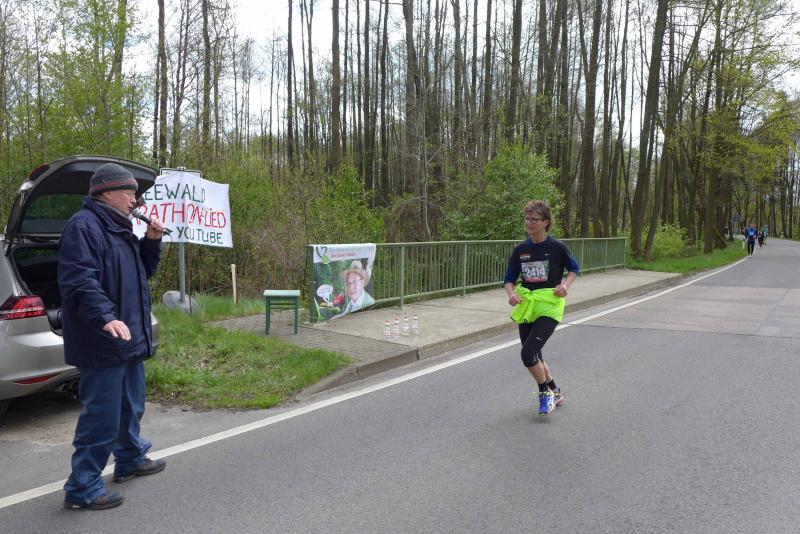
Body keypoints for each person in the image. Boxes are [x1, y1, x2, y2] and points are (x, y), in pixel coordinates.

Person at [59, 163, 167, 510]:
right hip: (102, 340)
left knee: (131, 405)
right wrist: (105, 316)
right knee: (101, 417)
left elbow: (141, 274)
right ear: (106, 193)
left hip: (129, 336)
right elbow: (80, 281)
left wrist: (152, 242)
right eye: (129, 193)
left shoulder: (121, 227)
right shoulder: (84, 227)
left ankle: (130, 458)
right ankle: (82, 487)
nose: (135, 200)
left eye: (135, 194)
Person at [504, 200, 579, 416]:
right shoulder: (521, 249)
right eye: (527, 219)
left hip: (550, 306)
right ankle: (555, 390)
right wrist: (512, 295)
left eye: (534, 219)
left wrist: (565, 286)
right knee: (535, 353)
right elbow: (509, 279)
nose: (529, 223)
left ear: (546, 222)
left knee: (528, 353)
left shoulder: (557, 247)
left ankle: (545, 394)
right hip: (528, 306)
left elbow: (574, 269)